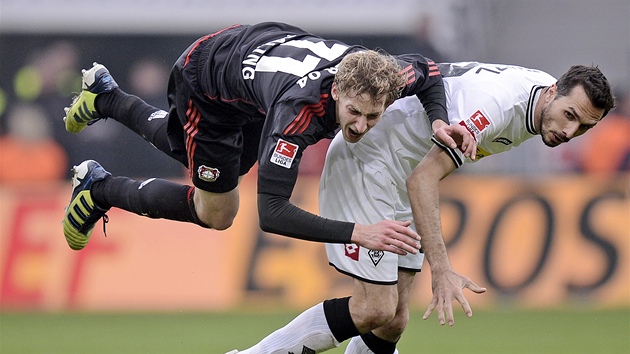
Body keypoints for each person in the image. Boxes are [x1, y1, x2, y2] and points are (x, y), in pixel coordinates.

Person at [229, 62, 615, 353]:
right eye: (569, 116)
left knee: (393, 320)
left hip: (400, 176)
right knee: (374, 309)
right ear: (551, 93)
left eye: (583, 127)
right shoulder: (497, 106)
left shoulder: (538, 98)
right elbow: (424, 180)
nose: (569, 132)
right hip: (369, 164)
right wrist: (442, 269)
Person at [61, 23, 476, 257]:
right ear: (335, 93)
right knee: (217, 210)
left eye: (373, 115)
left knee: (215, 163)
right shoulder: (295, 115)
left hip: (257, 64)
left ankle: (107, 97)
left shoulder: (382, 75)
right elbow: (273, 213)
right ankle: (98, 189)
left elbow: (428, 70)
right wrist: (359, 233)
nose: (362, 126)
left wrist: (438, 121)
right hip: (206, 79)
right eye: (354, 113)